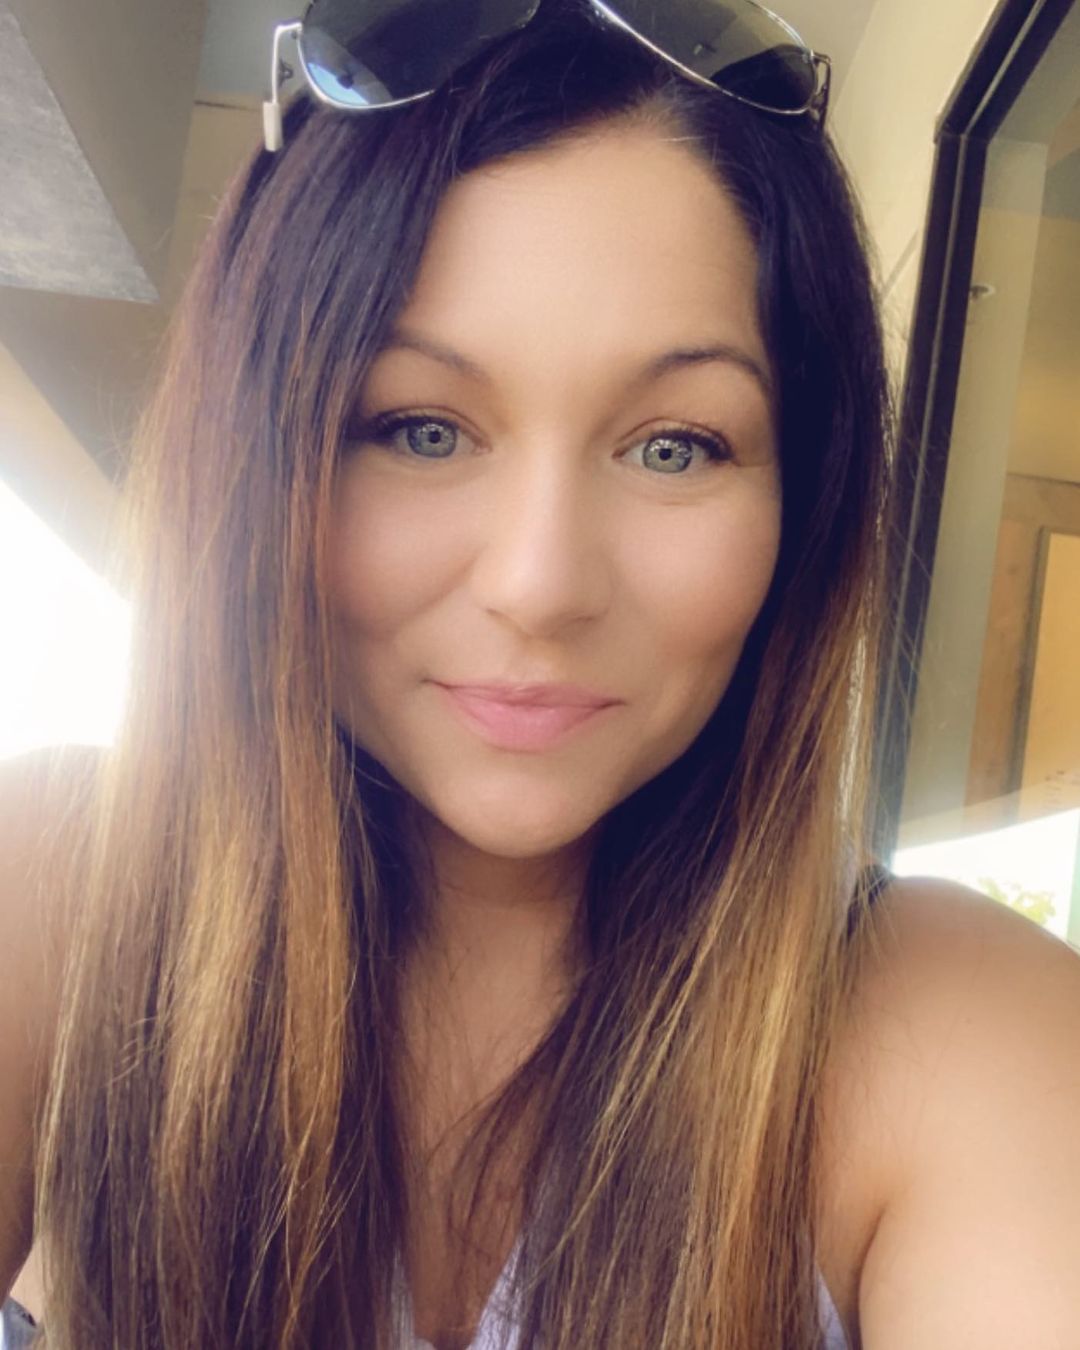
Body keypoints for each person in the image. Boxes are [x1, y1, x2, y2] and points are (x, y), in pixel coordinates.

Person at [2, 1, 1079, 1346]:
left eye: (674, 445)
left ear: (800, 506)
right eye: (422, 427)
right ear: (259, 457)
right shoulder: (62, 892)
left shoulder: (955, 1024)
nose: (540, 581)